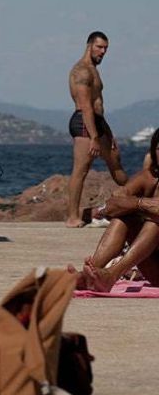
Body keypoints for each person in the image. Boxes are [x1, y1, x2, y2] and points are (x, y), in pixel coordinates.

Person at [73, 128, 159, 292]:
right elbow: (113, 204)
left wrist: (137, 203)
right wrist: (136, 205)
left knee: (154, 223)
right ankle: (92, 273)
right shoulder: (149, 177)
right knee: (124, 218)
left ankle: (111, 275)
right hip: (153, 267)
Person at [66, 31, 128, 227]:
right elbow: (86, 107)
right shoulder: (81, 71)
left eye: (105, 49)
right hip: (85, 124)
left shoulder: (93, 69)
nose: (103, 52)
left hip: (98, 122)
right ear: (89, 45)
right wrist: (94, 137)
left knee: (115, 162)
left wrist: (107, 132)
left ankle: (138, 201)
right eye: (99, 47)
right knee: (81, 170)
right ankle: (72, 217)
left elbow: (97, 105)